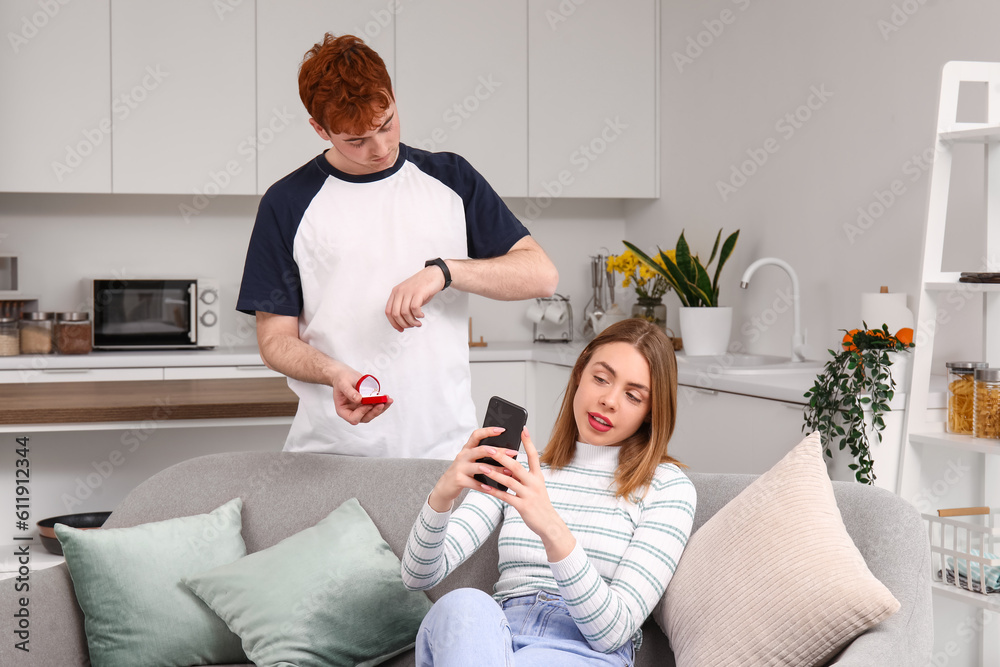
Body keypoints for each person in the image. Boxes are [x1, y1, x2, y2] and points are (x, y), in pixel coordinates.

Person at [236, 34, 558, 459]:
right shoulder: (287, 202)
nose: (381, 148)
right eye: (356, 140)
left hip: (445, 454)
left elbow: (541, 275)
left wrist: (444, 271)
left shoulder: (452, 179)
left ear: (392, 99)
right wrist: (332, 372)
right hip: (331, 452)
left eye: (386, 124)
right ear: (319, 129)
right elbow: (275, 339)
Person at [401, 318, 697, 666]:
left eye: (633, 396)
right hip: (495, 640)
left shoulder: (668, 487)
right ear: (579, 374)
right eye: (600, 379)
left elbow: (612, 632)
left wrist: (550, 526)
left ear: (650, 413)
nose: (609, 400)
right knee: (462, 603)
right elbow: (417, 575)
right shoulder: (521, 467)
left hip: (580, 650)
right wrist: (443, 496)